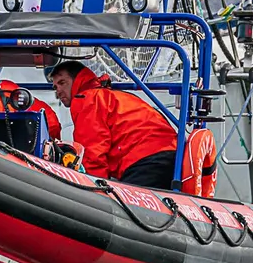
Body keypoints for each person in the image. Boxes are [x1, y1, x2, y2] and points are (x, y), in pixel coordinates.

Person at [47, 59, 180, 189]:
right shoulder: (112, 96)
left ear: (77, 79)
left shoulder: (88, 99)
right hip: (171, 155)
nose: (58, 91)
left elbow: (93, 152)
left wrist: (94, 190)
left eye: (62, 83)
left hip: (143, 159)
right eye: (55, 87)